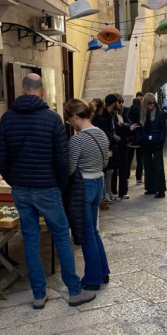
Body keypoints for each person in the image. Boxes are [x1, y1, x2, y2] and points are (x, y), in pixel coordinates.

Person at [0, 74, 96, 309]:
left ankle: (38, 294)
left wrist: (14, 181)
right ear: (42, 91)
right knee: (61, 237)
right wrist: (59, 185)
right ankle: (73, 291)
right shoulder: (52, 120)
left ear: (22, 89)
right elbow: (62, 159)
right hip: (48, 187)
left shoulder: (7, 119)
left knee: (30, 239)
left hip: (21, 189)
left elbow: (1, 156)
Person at [65, 99, 111, 291]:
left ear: (75, 117)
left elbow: (69, 168)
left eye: (69, 121)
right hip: (98, 182)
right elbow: (105, 162)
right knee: (93, 231)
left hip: (83, 185)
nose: (70, 125)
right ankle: (103, 271)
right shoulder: (101, 134)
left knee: (86, 234)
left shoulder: (77, 139)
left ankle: (92, 279)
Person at [132, 93, 167, 198]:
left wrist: (161, 139)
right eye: (150, 103)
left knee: (158, 166)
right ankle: (150, 187)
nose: (152, 105)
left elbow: (163, 128)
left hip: (156, 142)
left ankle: (161, 189)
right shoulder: (141, 114)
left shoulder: (159, 113)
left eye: (153, 103)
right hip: (145, 143)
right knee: (147, 166)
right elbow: (139, 128)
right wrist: (140, 139)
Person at [92, 95, 120, 203]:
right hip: (104, 146)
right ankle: (105, 194)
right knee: (107, 171)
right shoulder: (99, 118)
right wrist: (113, 138)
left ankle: (108, 193)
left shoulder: (106, 116)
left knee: (110, 171)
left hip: (106, 145)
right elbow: (105, 132)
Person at [114, 95, 133, 200]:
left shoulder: (124, 112)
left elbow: (128, 123)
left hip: (123, 143)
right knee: (113, 170)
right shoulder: (111, 115)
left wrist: (124, 125)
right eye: (119, 102)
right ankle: (112, 191)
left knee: (124, 168)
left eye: (122, 102)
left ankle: (123, 191)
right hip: (115, 144)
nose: (121, 104)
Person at [129, 92, 144, 185]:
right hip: (140, 138)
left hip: (130, 139)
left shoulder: (129, 110)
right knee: (140, 160)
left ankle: (126, 176)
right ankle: (138, 178)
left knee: (129, 159)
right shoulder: (142, 111)